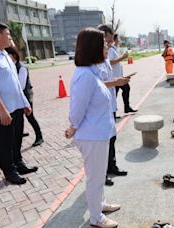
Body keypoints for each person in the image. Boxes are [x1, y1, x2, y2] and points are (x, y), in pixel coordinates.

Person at [65, 27, 127, 228]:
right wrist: (73, 126)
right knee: (95, 178)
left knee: (99, 175)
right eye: (103, 44)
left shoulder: (93, 71)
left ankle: (100, 204)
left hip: (99, 132)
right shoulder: (85, 75)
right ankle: (96, 218)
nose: (107, 47)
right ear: (93, 48)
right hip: (92, 135)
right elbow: (77, 109)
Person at [0, 22, 38, 185]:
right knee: (5, 142)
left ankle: (19, 163)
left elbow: (15, 83)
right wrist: (2, 111)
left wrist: (24, 102)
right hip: (3, 110)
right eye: (8, 34)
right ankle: (9, 171)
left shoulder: (4, 54)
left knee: (17, 138)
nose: (10, 37)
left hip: (16, 106)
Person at [97, 25, 129, 186]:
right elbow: (95, 84)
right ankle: (102, 173)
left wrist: (118, 81)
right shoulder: (93, 63)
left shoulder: (104, 60)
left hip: (110, 104)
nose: (109, 45)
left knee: (112, 137)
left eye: (109, 42)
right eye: (106, 42)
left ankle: (112, 166)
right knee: (104, 141)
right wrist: (116, 82)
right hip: (102, 108)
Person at [5, 46, 44, 147]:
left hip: (25, 95)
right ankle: (19, 133)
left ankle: (39, 136)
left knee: (30, 116)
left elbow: (21, 86)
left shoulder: (21, 67)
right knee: (16, 117)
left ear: (14, 55)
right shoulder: (10, 67)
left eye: (7, 55)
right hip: (16, 96)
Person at [111, 33, 137, 114]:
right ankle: (113, 113)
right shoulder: (111, 50)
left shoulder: (115, 49)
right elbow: (110, 62)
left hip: (119, 76)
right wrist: (122, 58)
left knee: (126, 88)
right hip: (114, 78)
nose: (119, 40)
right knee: (113, 95)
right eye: (118, 38)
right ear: (114, 39)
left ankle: (127, 107)